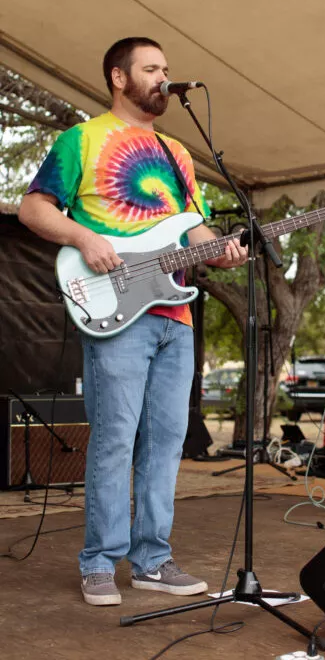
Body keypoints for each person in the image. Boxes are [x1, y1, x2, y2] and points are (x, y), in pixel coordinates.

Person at [18, 37, 248, 606]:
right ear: (119, 78)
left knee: (167, 442)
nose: (163, 78)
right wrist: (84, 236)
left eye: (166, 70)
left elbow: (191, 232)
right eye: (151, 69)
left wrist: (222, 250)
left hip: (177, 315)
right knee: (116, 439)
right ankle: (98, 562)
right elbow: (33, 207)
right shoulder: (82, 139)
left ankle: (152, 559)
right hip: (117, 310)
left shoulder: (179, 153)